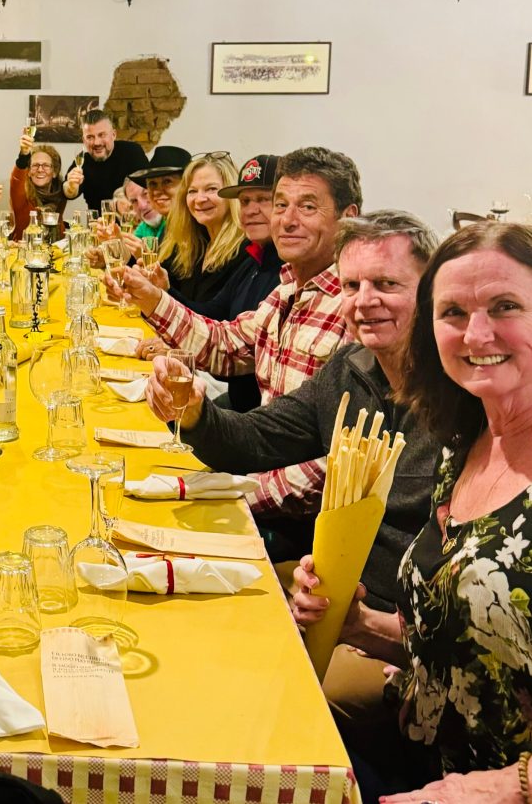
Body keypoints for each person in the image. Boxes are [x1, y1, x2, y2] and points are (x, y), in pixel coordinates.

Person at [146, 211, 439, 763]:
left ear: (430, 292)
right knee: (201, 611)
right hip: (334, 596)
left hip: (403, 636)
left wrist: (369, 626)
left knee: (261, 694)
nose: (363, 300)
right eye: (352, 285)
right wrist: (194, 413)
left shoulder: (460, 402)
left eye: (387, 285)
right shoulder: (353, 367)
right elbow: (260, 438)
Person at [296, 222, 532, 803]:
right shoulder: (467, 442)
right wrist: (360, 627)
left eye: (505, 306)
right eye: (452, 312)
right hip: (413, 752)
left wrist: (510, 786)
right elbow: (468, 643)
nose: (476, 333)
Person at [115, 147, 363, 555]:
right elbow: (223, 345)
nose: (286, 218)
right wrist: (150, 298)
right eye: (280, 204)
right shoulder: (286, 292)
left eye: (307, 206)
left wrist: (238, 494)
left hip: (305, 530)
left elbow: (345, 466)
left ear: (348, 217)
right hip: (257, 475)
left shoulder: (356, 307)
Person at [152, 154, 284, 412]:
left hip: (253, 416)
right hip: (239, 407)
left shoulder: (285, 271)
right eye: (245, 201)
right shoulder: (254, 259)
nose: (251, 210)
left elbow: (231, 349)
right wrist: (156, 296)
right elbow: (215, 317)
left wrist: (158, 298)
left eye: (263, 200)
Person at [156, 153, 249, 304]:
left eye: (211, 189)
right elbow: (161, 283)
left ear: (232, 194)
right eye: (192, 191)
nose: (199, 199)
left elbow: (214, 319)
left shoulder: (245, 250)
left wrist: (163, 292)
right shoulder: (192, 245)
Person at [61, 110, 149, 210]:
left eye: (101, 135)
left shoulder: (132, 152)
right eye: (90, 137)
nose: (97, 142)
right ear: (84, 140)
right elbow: (68, 194)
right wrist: (71, 186)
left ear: (113, 135)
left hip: (131, 222)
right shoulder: (82, 160)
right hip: (97, 224)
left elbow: (148, 187)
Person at [10, 133, 66, 239]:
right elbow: (16, 180)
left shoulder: (60, 194)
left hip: (55, 253)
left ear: (54, 172)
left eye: (46, 165)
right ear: (29, 172)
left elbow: (71, 190)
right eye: (35, 165)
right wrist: (24, 156)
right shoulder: (22, 196)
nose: (40, 170)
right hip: (25, 253)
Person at [127, 144, 189, 239]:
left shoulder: (198, 228)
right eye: (152, 183)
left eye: (167, 181)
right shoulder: (168, 228)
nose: (156, 192)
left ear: (186, 184)